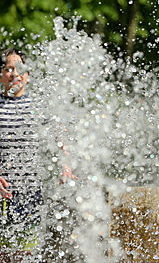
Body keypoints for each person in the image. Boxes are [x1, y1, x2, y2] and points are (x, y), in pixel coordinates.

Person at [0, 48, 77, 262]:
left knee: (26, 253)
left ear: (28, 75)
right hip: (2, 190)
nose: (14, 74)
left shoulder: (37, 106)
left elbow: (60, 137)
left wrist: (67, 165)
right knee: (4, 254)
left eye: (20, 69)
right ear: (1, 75)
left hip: (30, 191)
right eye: (8, 69)